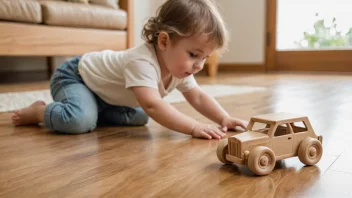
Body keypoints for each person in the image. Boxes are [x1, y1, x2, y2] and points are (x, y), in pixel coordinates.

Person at [12, 0, 247, 140]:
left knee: (138, 116)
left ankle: (94, 110)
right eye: (194, 54)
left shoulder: (179, 68)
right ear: (164, 42)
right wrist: (194, 127)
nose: (199, 65)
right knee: (78, 121)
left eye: (205, 58)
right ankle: (40, 112)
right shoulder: (142, 62)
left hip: (105, 94)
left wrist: (223, 118)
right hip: (76, 77)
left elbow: (197, 96)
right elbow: (154, 105)